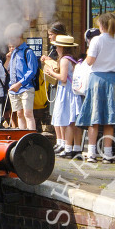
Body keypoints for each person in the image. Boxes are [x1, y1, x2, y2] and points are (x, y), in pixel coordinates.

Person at [75, 13, 115, 163]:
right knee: (109, 119)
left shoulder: (96, 40)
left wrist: (87, 56)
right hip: (112, 80)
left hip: (97, 78)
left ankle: (91, 153)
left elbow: (90, 61)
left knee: (94, 117)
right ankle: (107, 154)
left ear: (102, 25)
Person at [43, 35, 83, 158]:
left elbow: (63, 78)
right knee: (73, 121)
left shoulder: (65, 60)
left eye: (57, 46)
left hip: (67, 92)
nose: (55, 48)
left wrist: (52, 73)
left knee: (68, 121)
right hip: (71, 92)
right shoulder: (72, 59)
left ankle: (68, 148)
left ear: (62, 47)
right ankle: (76, 148)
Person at [4, 23, 39, 130]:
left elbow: (32, 71)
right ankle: (22, 136)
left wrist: (19, 84)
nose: (10, 41)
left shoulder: (28, 52)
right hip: (14, 89)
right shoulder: (14, 52)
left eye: (12, 38)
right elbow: (9, 70)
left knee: (28, 113)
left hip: (26, 87)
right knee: (19, 114)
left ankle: (31, 136)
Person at [42, 21, 67, 150]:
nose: (50, 37)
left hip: (61, 85)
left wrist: (49, 61)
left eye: (51, 35)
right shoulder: (53, 48)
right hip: (53, 82)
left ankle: (64, 142)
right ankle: (59, 141)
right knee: (55, 114)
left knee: (61, 114)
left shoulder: (65, 49)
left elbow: (60, 66)